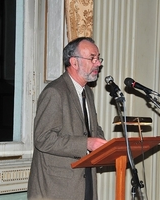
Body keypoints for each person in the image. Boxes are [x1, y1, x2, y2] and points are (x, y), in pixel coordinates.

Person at [27, 37, 107, 200]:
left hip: (84, 182)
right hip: (56, 188)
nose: (98, 63)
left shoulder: (87, 92)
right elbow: (43, 139)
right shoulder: (55, 92)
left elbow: (92, 128)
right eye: (93, 58)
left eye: (98, 58)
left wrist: (103, 145)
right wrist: (87, 143)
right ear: (74, 62)